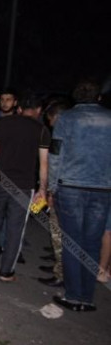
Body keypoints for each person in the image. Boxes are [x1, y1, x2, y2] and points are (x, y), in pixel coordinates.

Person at [49, 79, 111, 311]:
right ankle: (87, 297)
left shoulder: (66, 118)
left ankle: (74, 295)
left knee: (72, 242)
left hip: (71, 185)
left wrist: (52, 187)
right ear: (98, 97)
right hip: (102, 189)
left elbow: (56, 154)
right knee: (92, 243)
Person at [0, 94, 50, 281]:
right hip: (24, 186)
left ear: (19, 108)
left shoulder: (4, 123)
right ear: (39, 110)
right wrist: (42, 189)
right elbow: (44, 163)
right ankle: (6, 271)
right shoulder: (42, 130)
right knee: (15, 229)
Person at [38, 100, 71, 288]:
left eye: (50, 120)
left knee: (59, 233)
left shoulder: (62, 133)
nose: (50, 124)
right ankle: (60, 268)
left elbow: (55, 163)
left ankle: (61, 275)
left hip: (64, 189)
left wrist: (50, 190)